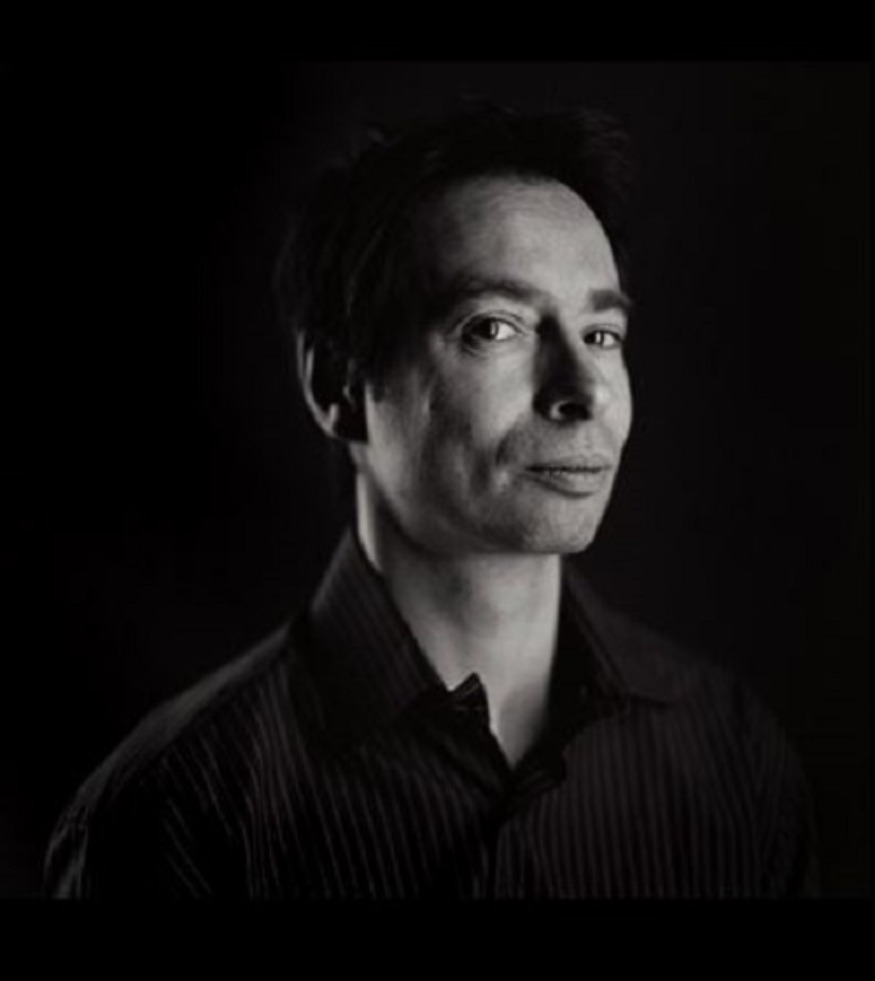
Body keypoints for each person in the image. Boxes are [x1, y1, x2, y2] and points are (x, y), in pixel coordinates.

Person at [44, 104, 817, 898]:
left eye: (601, 335)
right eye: (495, 328)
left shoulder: (731, 753)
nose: (584, 391)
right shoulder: (179, 810)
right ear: (338, 385)